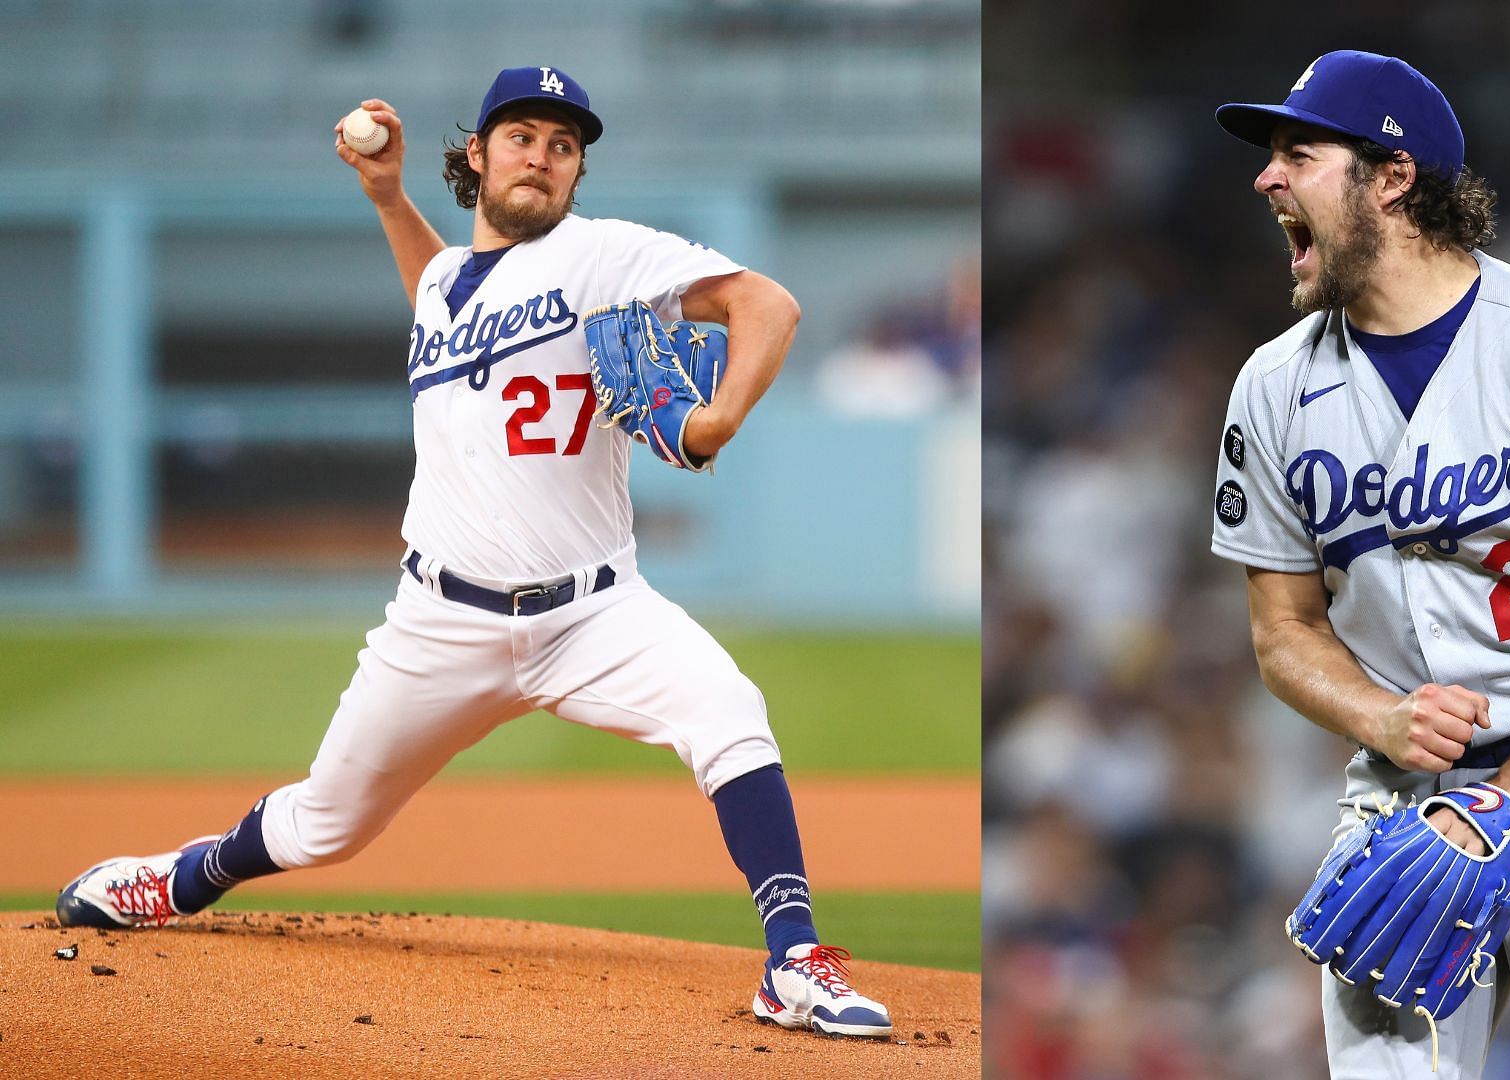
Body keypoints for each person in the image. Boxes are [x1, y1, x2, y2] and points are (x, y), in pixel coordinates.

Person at [54, 65, 891, 1041]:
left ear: (578, 174)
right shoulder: (452, 281)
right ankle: (178, 881)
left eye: (564, 145)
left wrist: (714, 421)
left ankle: (793, 960)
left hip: (596, 613)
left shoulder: (606, 255)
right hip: (441, 621)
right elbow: (437, 300)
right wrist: (387, 198)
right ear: (479, 154)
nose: (543, 156)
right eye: (524, 136)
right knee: (327, 825)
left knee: (730, 712)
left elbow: (770, 306)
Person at [1210, 51, 1510, 1076]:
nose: (1268, 179)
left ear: (1390, 178)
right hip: (1400, 798)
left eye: (1298, 153)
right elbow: (1284, 630)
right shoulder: (1269, 389)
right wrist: (1376, 717)